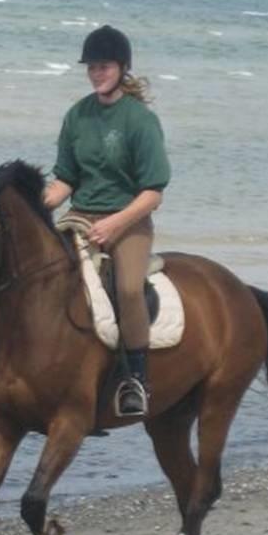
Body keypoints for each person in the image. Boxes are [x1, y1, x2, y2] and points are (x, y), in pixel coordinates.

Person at [43, 25, 171, 418]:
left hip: (129, 222)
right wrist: (36, 204)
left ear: (122, 68)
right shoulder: (77, 115)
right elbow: (66, 178)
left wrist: (116, 224)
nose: (97, 73)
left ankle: (136, 378)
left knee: (129, 289)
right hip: (80, 216)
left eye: (104, 66)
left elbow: (153, 192)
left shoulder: (139, 120)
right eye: (92, 67)